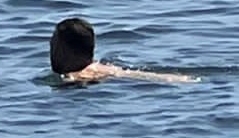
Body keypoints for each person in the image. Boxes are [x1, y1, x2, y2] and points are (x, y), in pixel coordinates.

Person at [48, 17, 197, 86]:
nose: (50, 45)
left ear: (65, 50)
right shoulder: (99, 66)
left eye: (54, 42)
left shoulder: (78, 75)